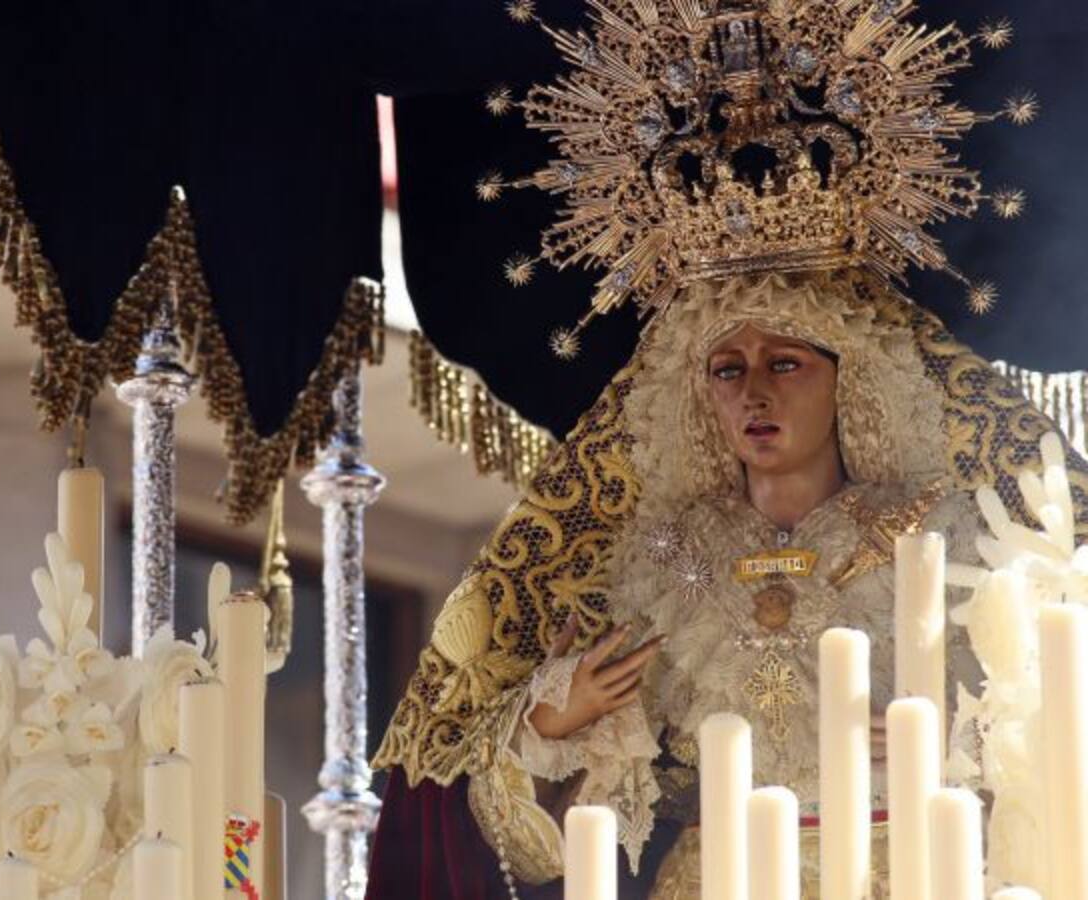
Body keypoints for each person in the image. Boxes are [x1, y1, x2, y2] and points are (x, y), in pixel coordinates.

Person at [367, 0, 1087, 896]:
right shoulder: (658, 559)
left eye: (786, 363)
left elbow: (1050, 713)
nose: (754, 392)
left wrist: (965, 739)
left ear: (847, 380)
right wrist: (554, 720)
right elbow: (555, 817)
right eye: (726, 369)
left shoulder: (937, 540)